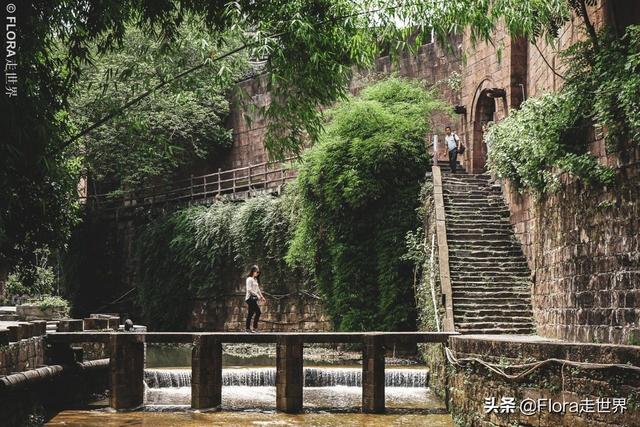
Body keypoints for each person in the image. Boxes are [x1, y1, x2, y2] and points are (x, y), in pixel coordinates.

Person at [245, 265, 265, 333]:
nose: (258, 273)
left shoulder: (255, 279)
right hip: (250, 298)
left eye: (259, 272)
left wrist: (261, 296)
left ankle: (248, 329)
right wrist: (257, 295)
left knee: (251, 313)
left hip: (254, 298)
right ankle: (254, 328)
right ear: (253, 271)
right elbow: (249, 289)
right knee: (258, 312)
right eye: (257, 272)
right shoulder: (249, 279)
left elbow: (258, 289)